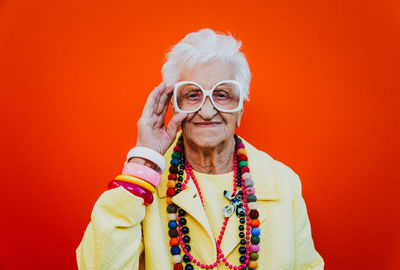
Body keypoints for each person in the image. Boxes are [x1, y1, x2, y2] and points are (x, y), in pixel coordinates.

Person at [76, 28, 324, 270]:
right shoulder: (144, 186)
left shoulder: (283, 183)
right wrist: (145, 162)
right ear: (173, 105)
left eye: (222, 94)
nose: (206, 111)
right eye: (193, 95)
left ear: (240, 108)